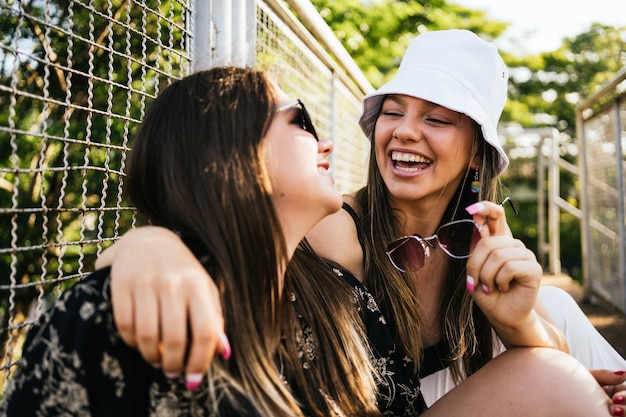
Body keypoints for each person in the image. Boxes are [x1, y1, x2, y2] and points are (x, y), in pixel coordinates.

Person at [95, 31, 625, 416]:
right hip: (380, 401)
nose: (406, 132)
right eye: (392, 112)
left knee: (550, 307)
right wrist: (148, 244)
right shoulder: (336, 229)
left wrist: (515, 318)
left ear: (478, 158)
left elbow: (546, 365)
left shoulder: (483, 242)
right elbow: (210, 242)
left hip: (455, 394)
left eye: (437, 119)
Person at [0, 66, 382, 416]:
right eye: (301, 119)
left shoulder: (344, 302)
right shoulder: (107, 317)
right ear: (229, 147)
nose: (326, 143)